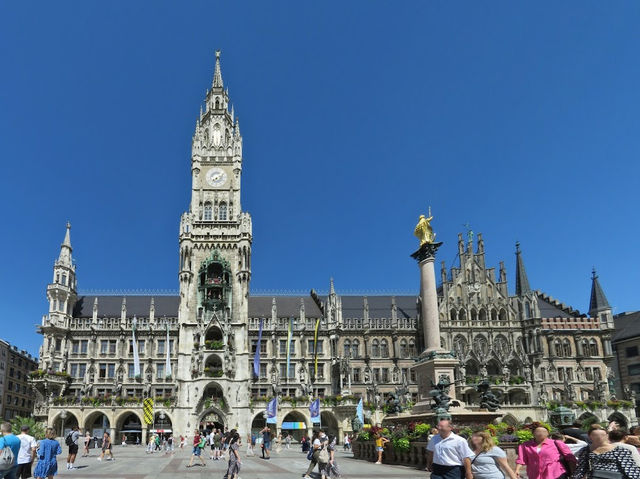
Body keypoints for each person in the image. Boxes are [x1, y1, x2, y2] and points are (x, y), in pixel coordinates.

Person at [574, 424, 640, 479]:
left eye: (602, 435)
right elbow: (581, 469)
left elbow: (631, 470)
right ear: (590, 437)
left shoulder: (620, 450)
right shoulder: (585, 451)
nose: (599, 437)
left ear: (607, 436)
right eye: (595, 435)